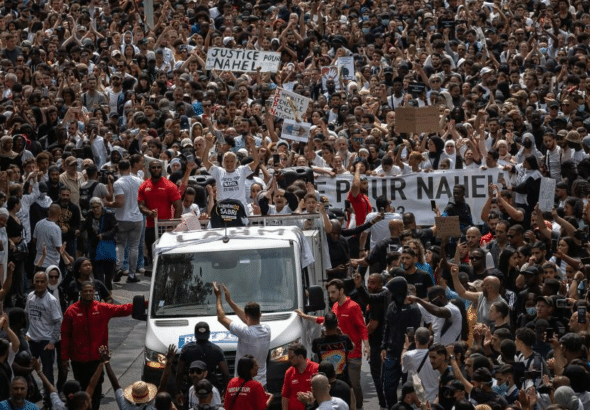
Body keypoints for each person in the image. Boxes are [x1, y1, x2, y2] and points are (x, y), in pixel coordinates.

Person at [60, 281, 135, 410]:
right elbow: (65, 335)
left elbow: (122, 309)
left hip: (97, 360)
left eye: (91, 291)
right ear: (81, 293)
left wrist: (145, 304)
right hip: (78, 360)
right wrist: (64, 358)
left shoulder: (102, 308)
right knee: (82, 391)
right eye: (86, 291)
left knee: (96, 392)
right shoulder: (71, 311)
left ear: (94, 293)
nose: (88, 293)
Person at [297, 279, 368, 410]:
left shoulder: (353, 306)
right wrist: (306, 317)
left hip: (354, 353)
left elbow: (362, 327)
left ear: (342, 291)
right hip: (339, 358)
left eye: (333, 292)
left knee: (354, 385)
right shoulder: (335, 307)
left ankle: (359, 407)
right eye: (329, 292)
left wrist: (366, 345)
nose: (330, 295)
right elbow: (324, 320)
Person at [213, 282, 270, 386]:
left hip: (245, 384)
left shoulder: (246, 333)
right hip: (262, 383)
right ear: (260, 315)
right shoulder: (267, 329)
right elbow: (248, 319)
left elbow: (221, 318)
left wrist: (218, 297)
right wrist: (229, 301)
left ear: (247, 316)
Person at [381, 277, 422, 408]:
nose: (390, 295)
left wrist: (407, 350)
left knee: (407, 389)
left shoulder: (413, 309)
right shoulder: (391, 306)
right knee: (388, 388)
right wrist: (384, 346)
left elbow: (412, 333)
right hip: (391, 353)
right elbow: (387, 327)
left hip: (408, 354)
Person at [24, 270, 62, 406]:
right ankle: (30, 396)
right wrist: (26, 334)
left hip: (46, 340)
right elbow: (27, 316)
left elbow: (58, 321)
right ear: (33, 282)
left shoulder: (51, 300)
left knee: (47, 372)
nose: (39, 284)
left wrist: (52, 342)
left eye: (42, 281)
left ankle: (49, 400)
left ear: (47, 283)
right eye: (37, 281)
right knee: (26, 368)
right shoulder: (30, 297)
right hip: (32, 339)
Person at [104, 159, 143, 283]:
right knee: (134, 246)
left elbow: (120, 202)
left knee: (120, 244)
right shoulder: (139, 181)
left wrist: (108, 204)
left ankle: (119, 267)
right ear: (130, 168)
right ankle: (132, 274)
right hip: (137, 218)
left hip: (122, 218)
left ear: (118, 169)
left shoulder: (118, 183)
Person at [137, 160, 182, 263]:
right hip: (150, 226)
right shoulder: (144, 186)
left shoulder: (169, 185)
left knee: (167, 255)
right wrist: (149, 212)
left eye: (158, 167)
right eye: (154, 167)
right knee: (153, 255)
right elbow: (140, 205)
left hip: (166, 226)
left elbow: (178, 207)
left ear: (162, 169)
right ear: (149, 170)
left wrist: (173, 225)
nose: (156, 169)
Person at [176, 322, 229, 401]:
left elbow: (179, 372)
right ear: (208, 334)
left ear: (195, 334)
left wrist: (178, 391)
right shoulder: (216, 350)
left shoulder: (186, 349)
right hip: (211, 388)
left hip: (192, 387)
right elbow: (225, 373)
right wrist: (226, 391)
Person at [81, 198, 118, 289]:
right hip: (94, 246)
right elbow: (85, 225)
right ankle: (100, 289)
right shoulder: (90, 215)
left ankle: (108, 288)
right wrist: (79, 231)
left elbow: (115, 228)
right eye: (93, 207)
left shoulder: (108, 214)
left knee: (109, 271)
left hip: (107, 245)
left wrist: (104, 235)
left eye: (97, 207)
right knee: (97, 270)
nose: (95, 209)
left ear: (101, 206)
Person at [281, 343, 319, 410]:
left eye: (292, 357)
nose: (289, 360)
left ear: (301, 357)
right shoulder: (289, 372)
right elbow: (285, 396)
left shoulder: (316, 369)